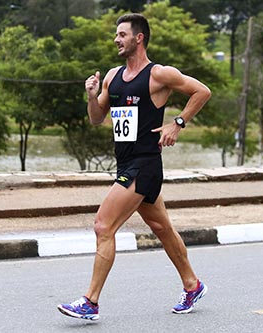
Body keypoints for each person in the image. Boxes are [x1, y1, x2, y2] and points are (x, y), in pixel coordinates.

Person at [57, 13, 211, 321]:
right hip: (126, 162)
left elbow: (202, 91)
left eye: (122, 34)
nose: (116, 39)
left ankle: (91, 302)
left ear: (138, 38)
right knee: (161, 228)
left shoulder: (159, 74)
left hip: (145, 164)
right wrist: (91, 96)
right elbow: (97, 117)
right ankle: (192, 284)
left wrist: (177, 124)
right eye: (116, 34)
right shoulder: (113, 76)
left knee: (103, 225)